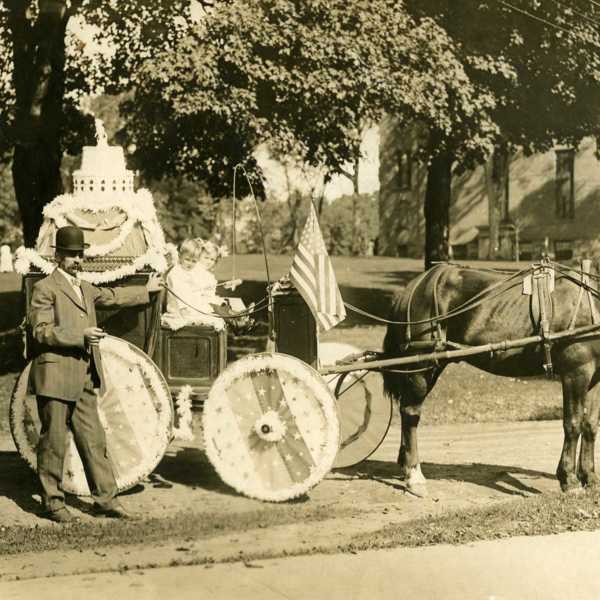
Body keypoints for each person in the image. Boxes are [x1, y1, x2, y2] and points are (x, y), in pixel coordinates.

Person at [28, 225, 162, 523]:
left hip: (85, 376)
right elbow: (41, 331)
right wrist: (81, 335)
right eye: (71, 254)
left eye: (80, 254)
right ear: (58, 256)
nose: (77, 259)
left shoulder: (84, 287)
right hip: (55, 377)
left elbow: (110, 296)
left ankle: (106, 500)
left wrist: (146, 290)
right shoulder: (45, 288)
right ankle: (53, 503)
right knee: (54, 443)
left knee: (94, 440)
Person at [162, 238, 236, 331]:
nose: (190, 264)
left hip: (190, 305)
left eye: (194, 261)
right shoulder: (176, 273)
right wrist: (184, 309)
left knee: (215, 308)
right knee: (212, 312)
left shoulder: (187, 271)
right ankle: (236, 321)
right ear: (180, 256)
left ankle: (237, 319)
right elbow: (179, 294)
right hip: (180, 309)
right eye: (187, 259)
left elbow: (198, 287)